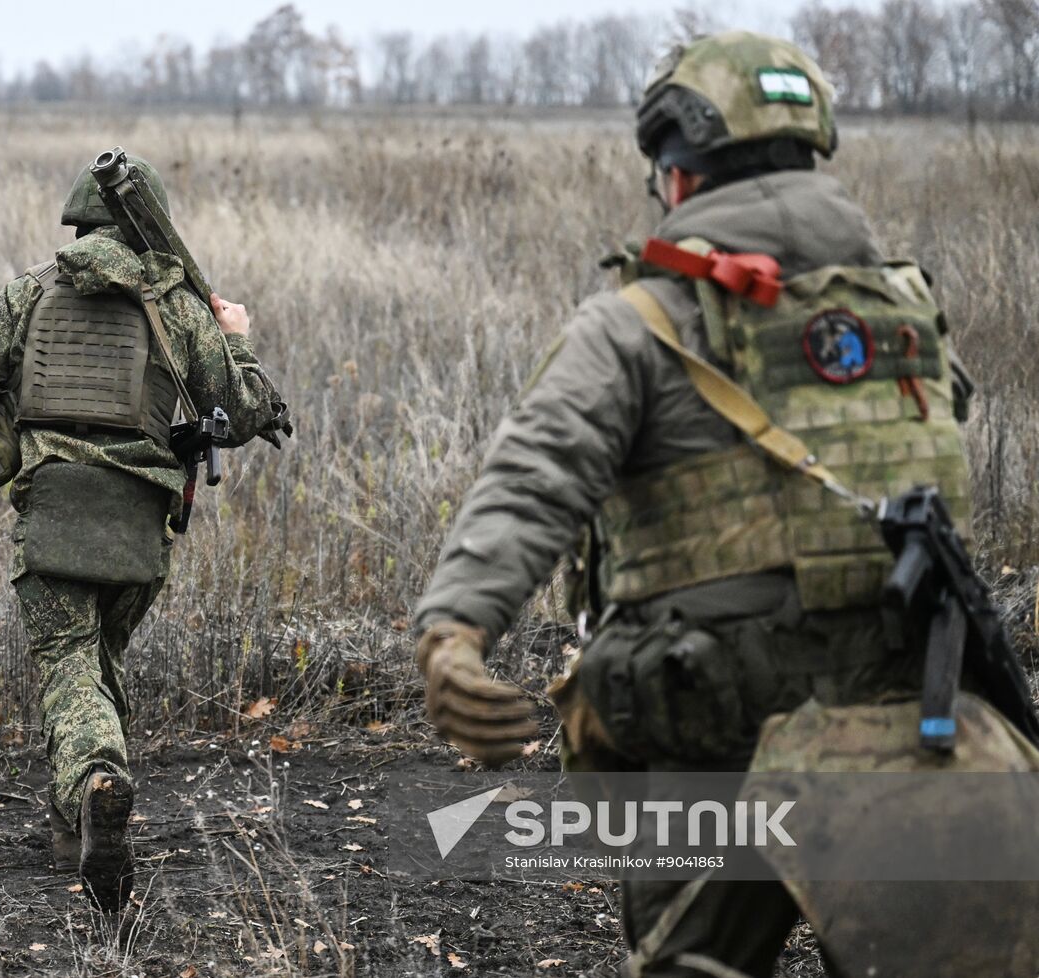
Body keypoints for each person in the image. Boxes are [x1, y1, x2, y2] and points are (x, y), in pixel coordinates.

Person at [413, 31, 1039, 978]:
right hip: (903, 701)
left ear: (676, 175)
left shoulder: (641, 322)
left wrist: (454, 630)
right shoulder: (907, 311)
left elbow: (534, 474)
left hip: (709, 715)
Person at [0, 154, 285, 910]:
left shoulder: (30, 295)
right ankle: (76, 829)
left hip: (54, 513)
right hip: (142, 522)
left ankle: (100, 781)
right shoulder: (175, 306)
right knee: (95, 667)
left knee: (72, 671)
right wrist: (234, 335)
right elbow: (241, 413)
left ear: (79, 221)